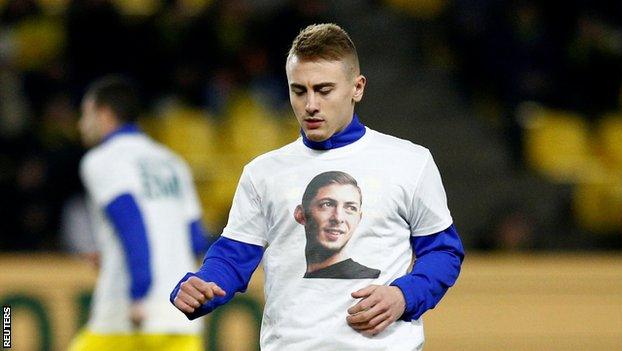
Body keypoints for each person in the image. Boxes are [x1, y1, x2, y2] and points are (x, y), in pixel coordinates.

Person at [171, 23, 464, 350]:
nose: (310, 104)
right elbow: (232, 257)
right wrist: (202, 285)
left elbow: (443, 250)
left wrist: (404, 295)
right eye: (299, 90)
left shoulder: (410, 162)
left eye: (324, 90)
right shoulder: (263, 173)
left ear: (357, 87)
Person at [69, 75, 211, 351]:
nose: (81, 124)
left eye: (85, 114)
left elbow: (131, 223)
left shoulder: (102, 159)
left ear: (104, 113)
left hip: (126, 316)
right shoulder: (172, 162)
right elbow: (195, 238)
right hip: (181, 318)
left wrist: (139, 293)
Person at [294, 170, 380, 279]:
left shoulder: (373, 278)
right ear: (301, 214)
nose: (338, 218)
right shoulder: (289, 281)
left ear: (359, 219)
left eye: (350, 208)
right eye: (327, 204)